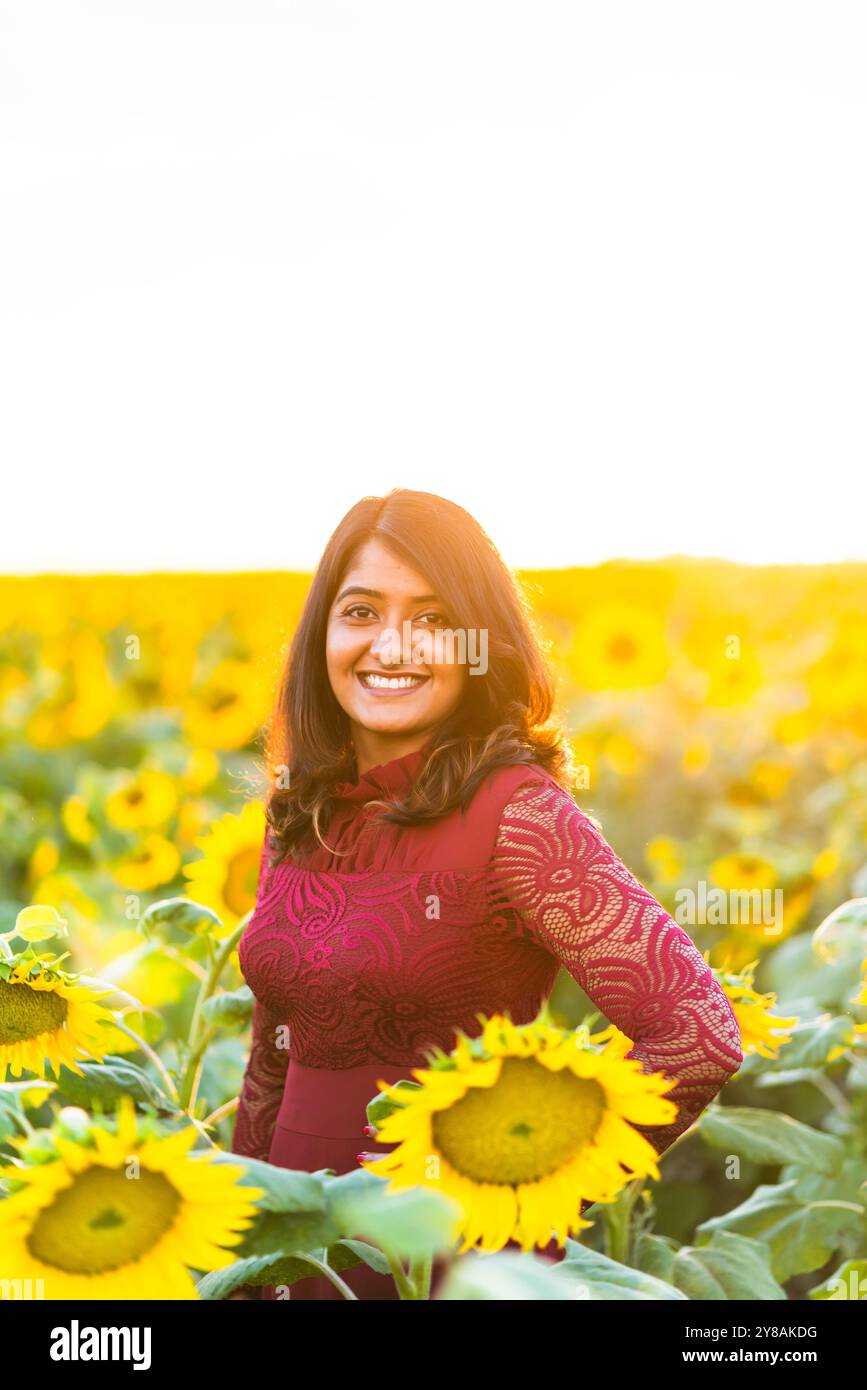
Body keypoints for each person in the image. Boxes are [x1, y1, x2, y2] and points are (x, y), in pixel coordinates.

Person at [229, 488, 743, 1299]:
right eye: (360, 611)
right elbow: (271, 1057)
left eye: (432, 620)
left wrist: (515, 1194)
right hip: (296, 1260)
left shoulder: (517, 814)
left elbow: (696, 1034)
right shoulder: (304, 808)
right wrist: (242, 1240)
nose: (390, 646)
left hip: (448, 1270)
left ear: (480, 644)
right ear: (322, 633)